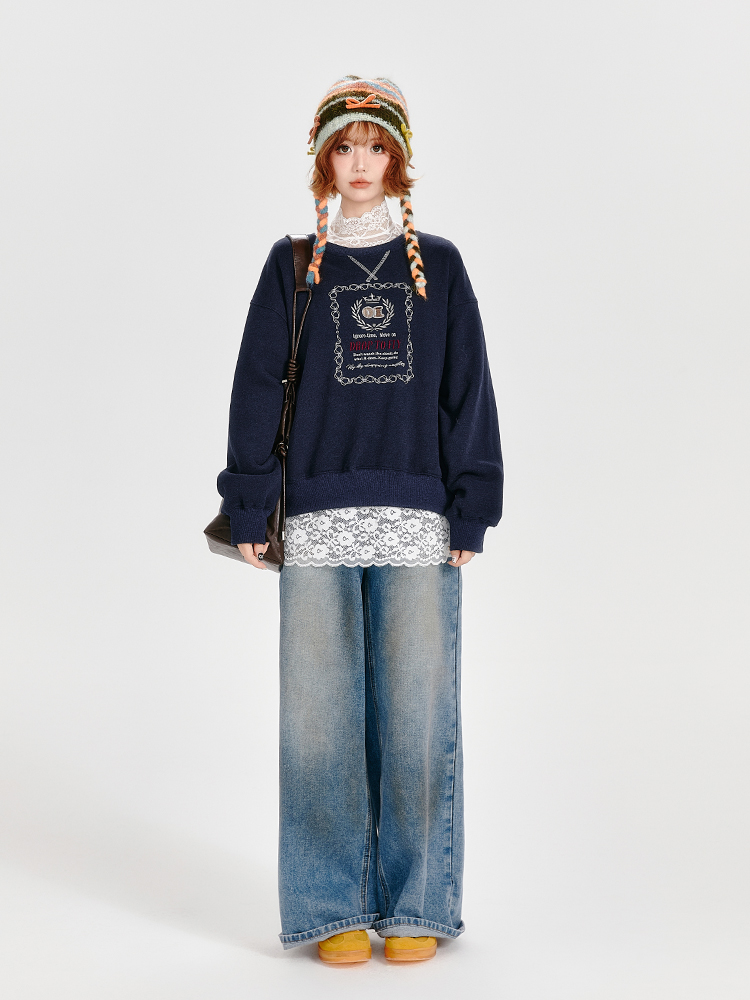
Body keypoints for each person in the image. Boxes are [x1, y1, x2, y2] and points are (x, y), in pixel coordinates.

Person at [217, 75, 503, 964]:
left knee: (418, 718)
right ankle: (329, 904)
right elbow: (256, 388)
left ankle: (418, 904)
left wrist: (474, 503)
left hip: (419, 522)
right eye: (344, 147)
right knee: (319, 723)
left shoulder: (440, 267)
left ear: (398, 159)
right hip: (315, 521)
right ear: (323, 160)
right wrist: (248, 502)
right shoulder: (292, 266)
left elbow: (467, 392)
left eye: (375, 146)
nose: (360, 162)